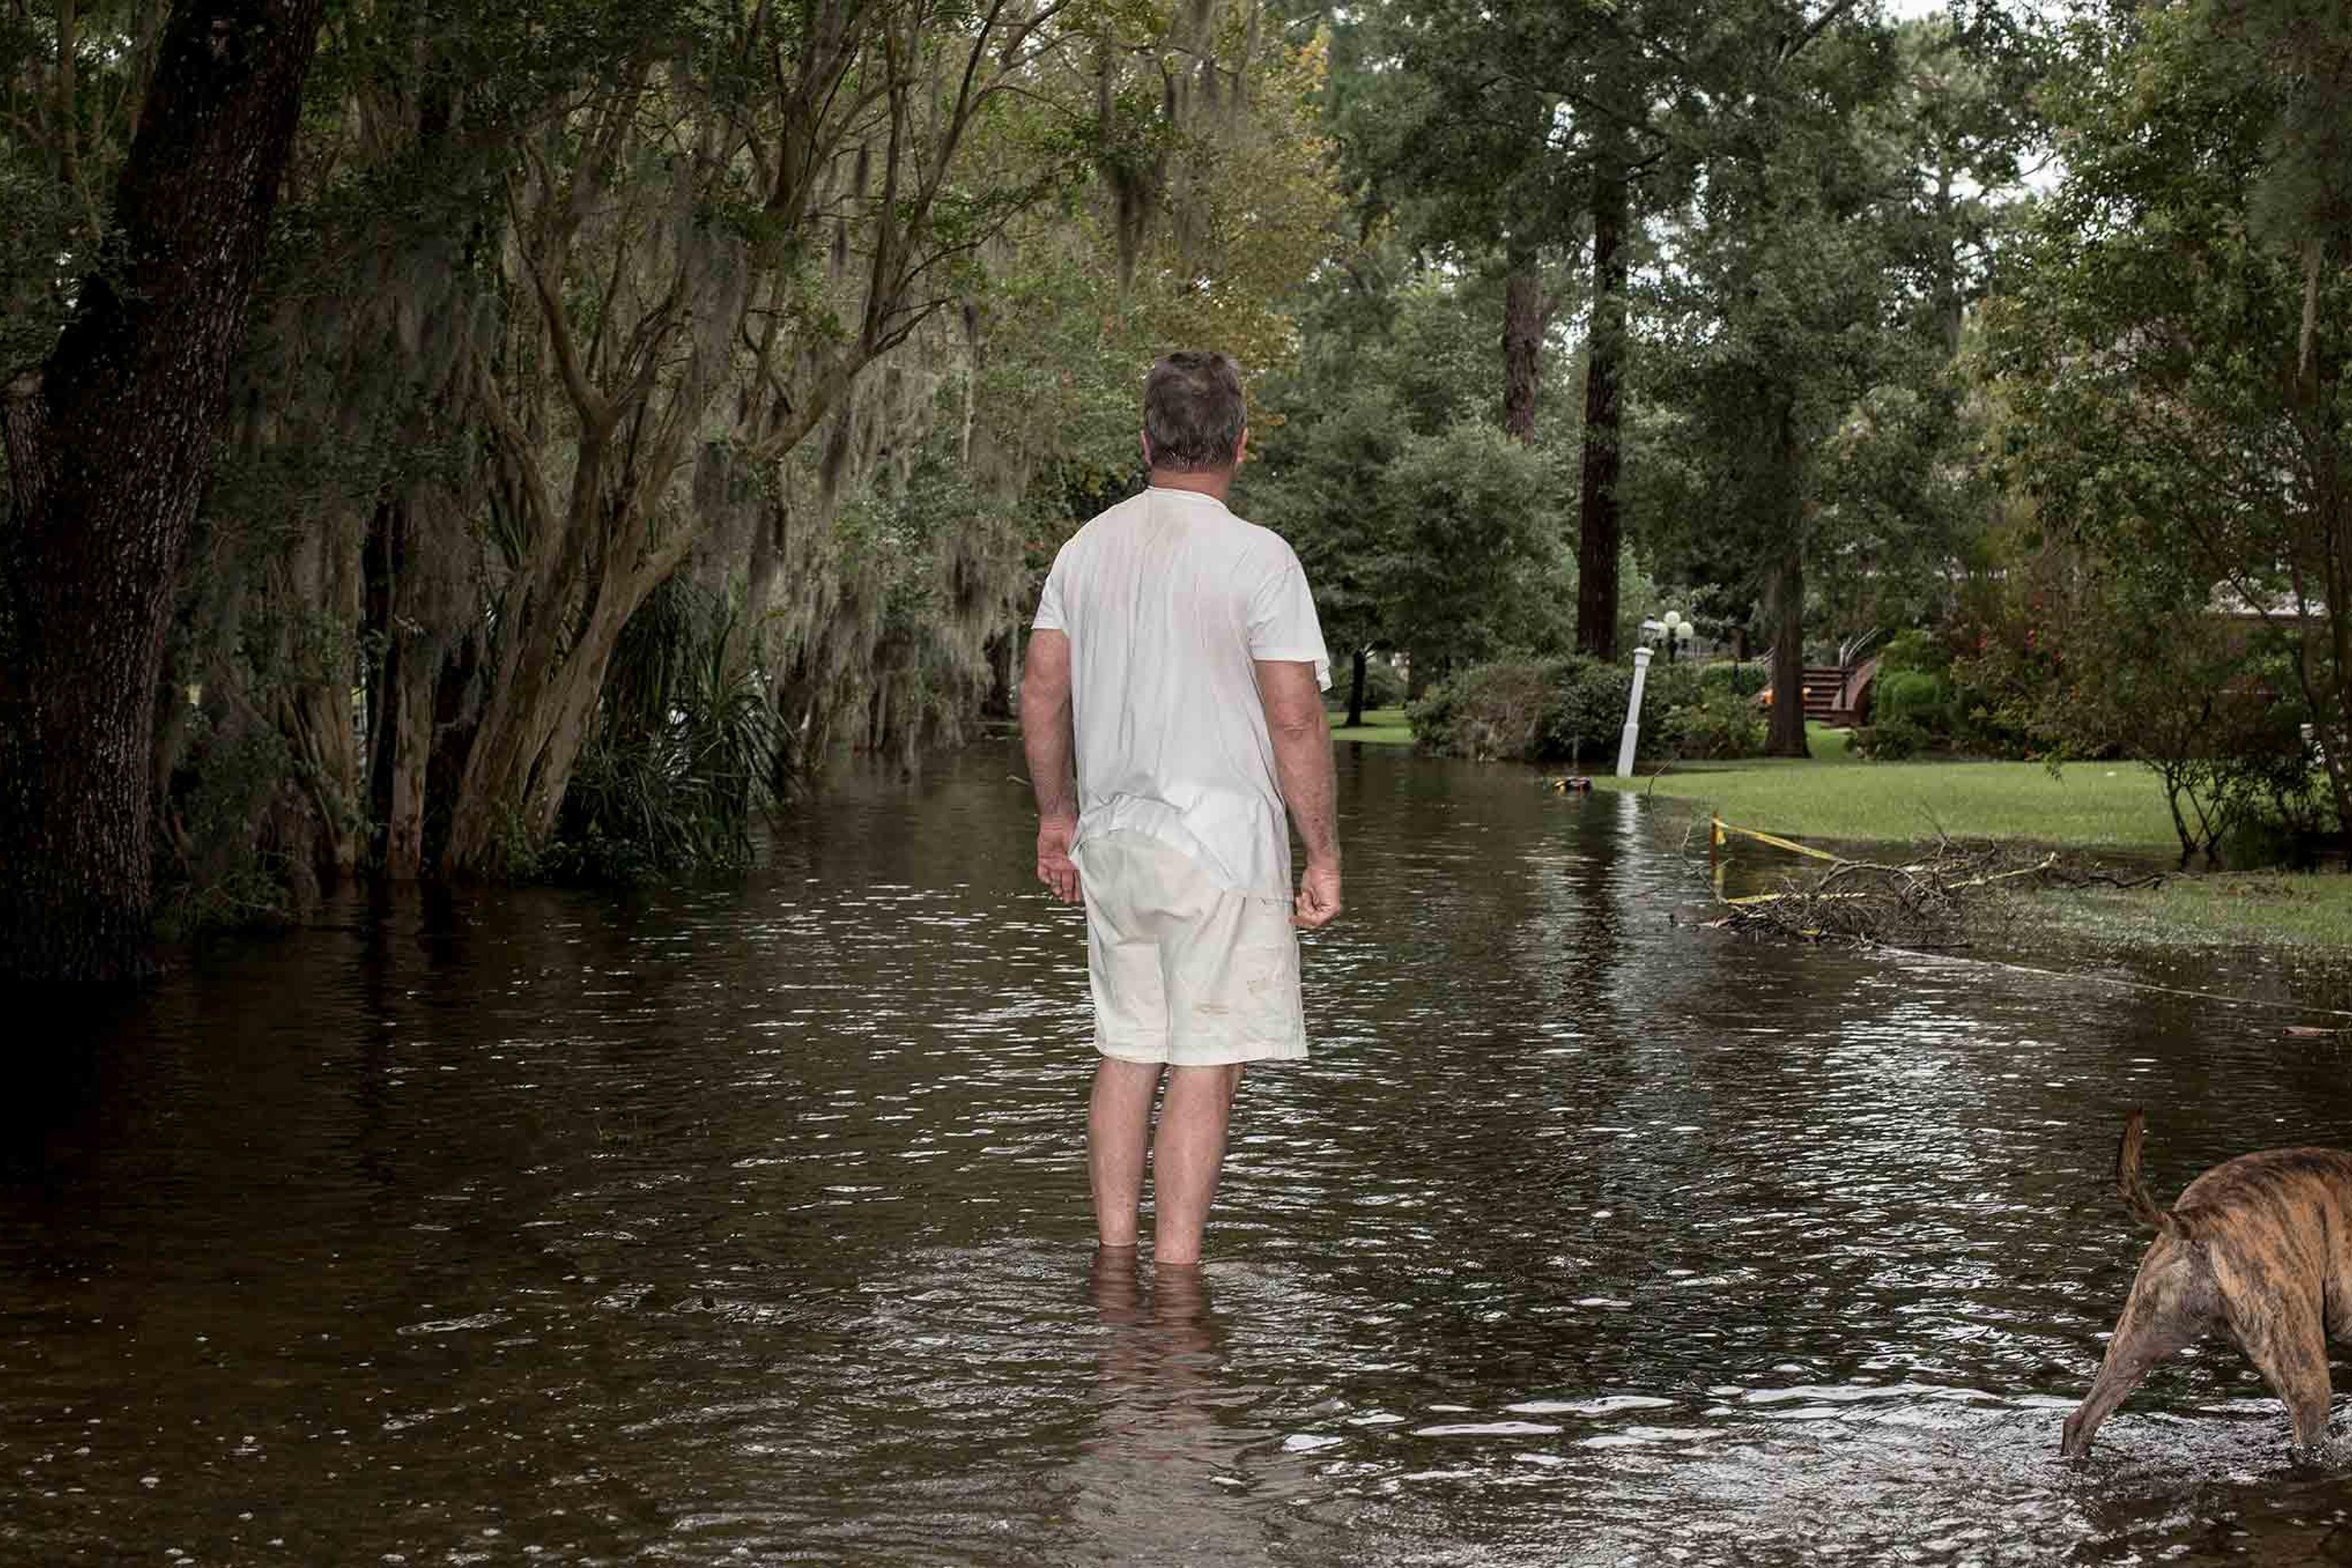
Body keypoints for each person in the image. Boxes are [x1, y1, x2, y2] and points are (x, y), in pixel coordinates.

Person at [1020, 349, 1341, 1269]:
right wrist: (1321, 855)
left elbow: (1042, 691)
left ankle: (1113, 1268)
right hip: (1222, 846)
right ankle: (1176, 1282)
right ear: (1241, 444)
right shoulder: (1261, 559)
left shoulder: (1084, 550)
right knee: (1204, 1060)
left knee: (1128, 1050)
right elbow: (1295, 716)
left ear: (1146, 440)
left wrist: (1056, 818)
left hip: (1114, 837)